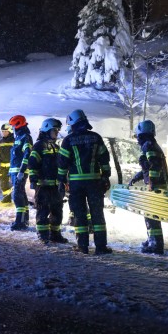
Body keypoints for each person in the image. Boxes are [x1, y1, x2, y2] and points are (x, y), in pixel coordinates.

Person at [57, 109, 112, 255]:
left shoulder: (68, 140)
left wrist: (61, 179)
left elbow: (62, 163)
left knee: (80, 214)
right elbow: (104, 159)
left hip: (76, 184)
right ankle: (101, 247)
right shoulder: (96, 137)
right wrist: (106, 176)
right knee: (97, 214)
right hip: (95, 183)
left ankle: (83, 246)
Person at [129, 120, 168, 255]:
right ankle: (153, 240)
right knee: (151, 215)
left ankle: (156, 244)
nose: (137, 139)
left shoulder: (148, 146)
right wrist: (137, 177)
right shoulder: (151, 145)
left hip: (156, 186)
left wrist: (151, 182)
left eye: (137, 136)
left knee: (151, 216)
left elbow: (153, 166)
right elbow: (149, 167)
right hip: (158, 184)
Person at [28, 118, 68, 244]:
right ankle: (43, 235)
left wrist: (64, 180)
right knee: (43, 210)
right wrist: (33, 178)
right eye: (54, 130)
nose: (56, 133)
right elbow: (33, 163)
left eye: (57, 131)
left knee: (57, 211)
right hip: (43, 185)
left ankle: (55, 235)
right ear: (46, 130)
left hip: (56, 186)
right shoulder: (39, 146)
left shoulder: (56, 146)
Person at [8, 115, 33, 230]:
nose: (12, 128)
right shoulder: (19, 138)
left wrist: (22, 171)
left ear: (18, 124)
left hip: (19, 172)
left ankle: (20, 222)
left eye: (13, 126)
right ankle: (24, 220)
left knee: (18, 197)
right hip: (15, 172)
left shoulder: (25, 137)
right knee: (21, 195)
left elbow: (27, 154)